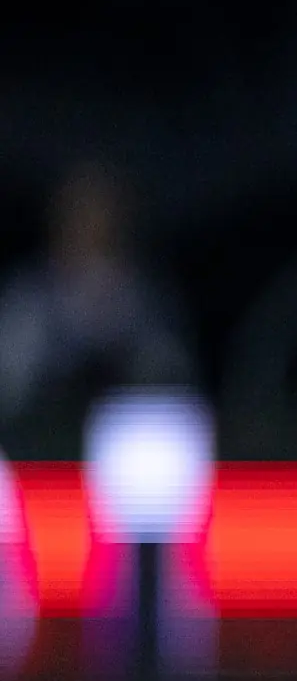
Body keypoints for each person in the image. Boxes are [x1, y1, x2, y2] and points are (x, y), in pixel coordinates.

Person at [0, 163, 196, 459]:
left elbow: (173, 378)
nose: (92, 225)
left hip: (127, 455)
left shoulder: (143, 298)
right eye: (81, 213)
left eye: (101, 214)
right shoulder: (30, 300)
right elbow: (10, 385)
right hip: (41, 456)